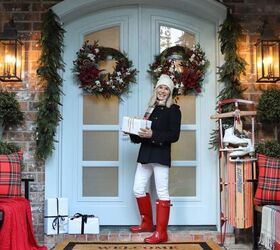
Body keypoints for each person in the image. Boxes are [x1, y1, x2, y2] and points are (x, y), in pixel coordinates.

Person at [129, 74, 181, 244]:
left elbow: (174, 135)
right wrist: (131, 130)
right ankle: (147, 224)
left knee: (162, 192)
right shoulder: (150, 109)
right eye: (160, 87)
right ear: (156, 89)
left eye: (166, 88)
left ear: (170, 92)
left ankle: (161, 233)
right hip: (146, 154)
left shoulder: (174, 110)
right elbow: (141, 136)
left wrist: (153, 134)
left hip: (160, 155)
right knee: (138, 188)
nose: (162, 91)